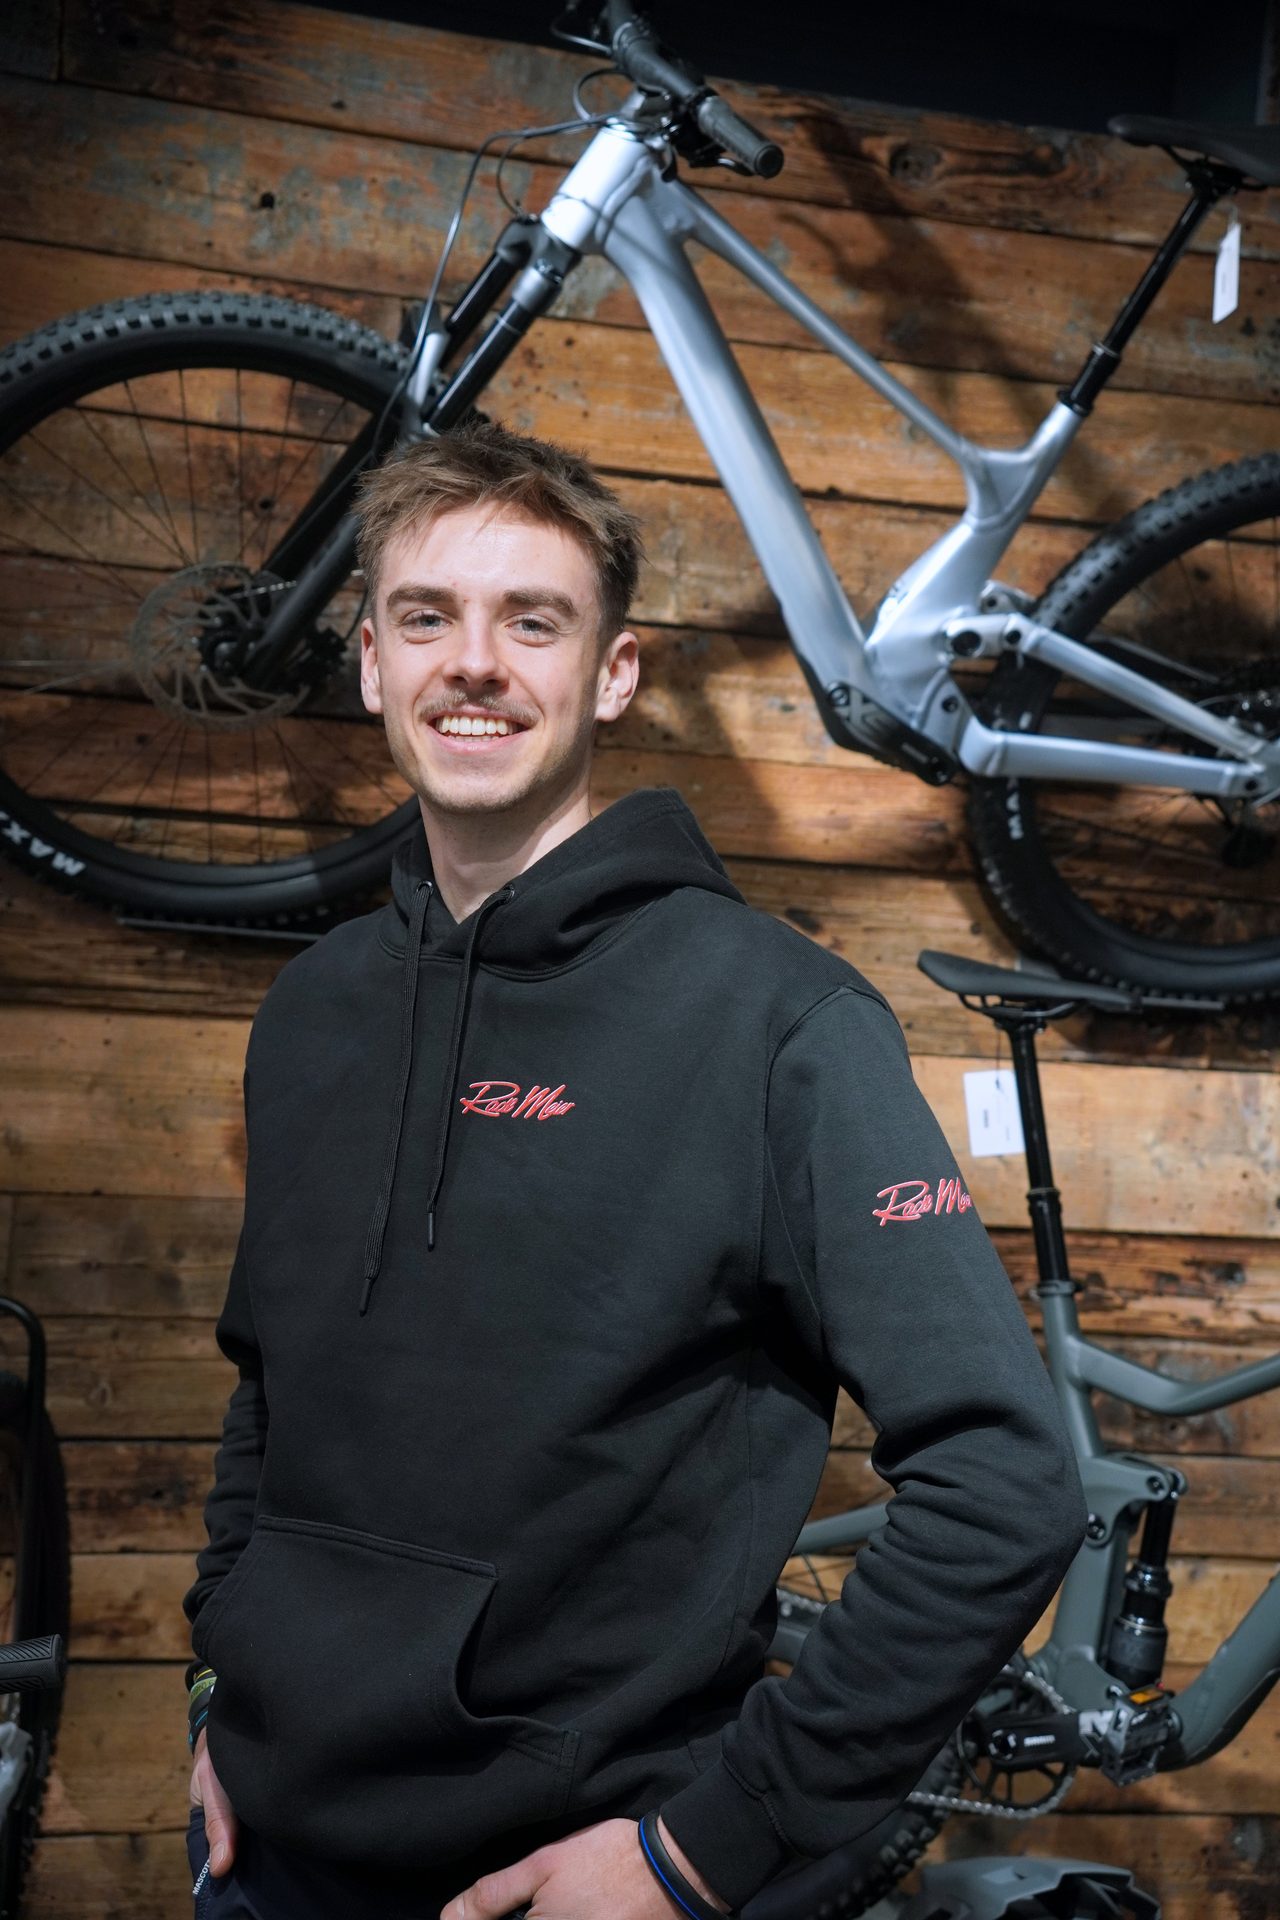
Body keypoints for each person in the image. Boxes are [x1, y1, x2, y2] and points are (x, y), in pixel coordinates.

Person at [182, 416, 1088, 1920]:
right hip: (261, 1864)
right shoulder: (314, 1012)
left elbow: (1005, 1484)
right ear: (372, 666)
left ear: (613, 675)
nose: (475, 664)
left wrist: (707, 1849)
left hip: (581, 1876)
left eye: (532, 622)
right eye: (428, 618)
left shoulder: (778, 1021)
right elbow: (269, 1399)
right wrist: (220, 1691)